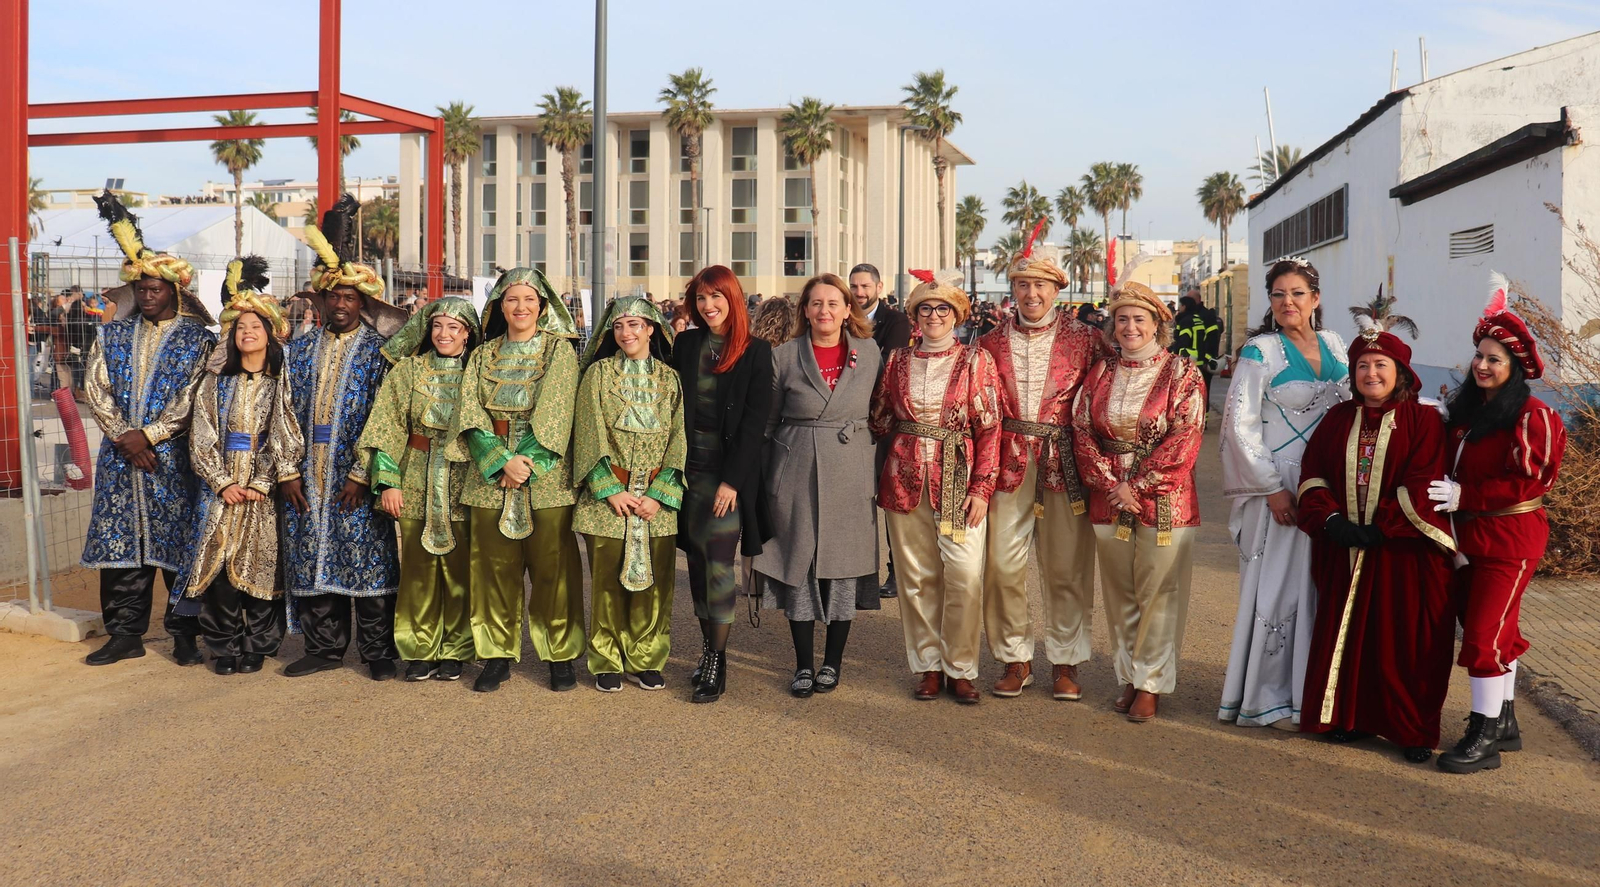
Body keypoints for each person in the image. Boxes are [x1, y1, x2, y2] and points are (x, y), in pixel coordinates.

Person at [1296, 322, 1456, 764]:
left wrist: (1383, 526)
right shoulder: (1337, 419)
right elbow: (1312, 473)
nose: (1371, 373)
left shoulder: (1423, 420)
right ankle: (1353, 718)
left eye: (1381, 364)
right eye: (1362, 365)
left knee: (1403, 642)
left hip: (1404, 552)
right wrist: (1332, 520)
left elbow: (1424, 479)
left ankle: (1412, 729)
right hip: (1345, 551)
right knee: (1355, 640)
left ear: (1400, 371)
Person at [1434, 273, 1566, 773]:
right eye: (1479, 356)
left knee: (1483, 636)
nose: (1483, 365)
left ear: (1515, 367)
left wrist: (1467, 495)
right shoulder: (1470, 410)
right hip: (1467, 536)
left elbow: (1532, 482)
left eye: (1495, 359)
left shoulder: (1532, 415)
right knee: (1495, 629)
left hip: (1510, 538)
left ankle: (1483, 734)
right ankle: (1505, 719)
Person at [80, 192, 218, 667]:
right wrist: (126, 437)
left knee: (181, 547)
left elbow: (196, 395)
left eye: (155, 289)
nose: (146, 296)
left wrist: (152, 435)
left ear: (174, 290)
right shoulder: (112, 334)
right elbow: (96, 387)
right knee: (122, 550)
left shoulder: (198, 339)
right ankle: (124, 634)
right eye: (140, 289)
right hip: (121, 460)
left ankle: (185, 635)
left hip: (173, 460)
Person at [280, 195, 407, 681]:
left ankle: (378, 651)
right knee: (312, 553)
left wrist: (362, 473)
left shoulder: (379, 352)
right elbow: (282, 412)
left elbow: (388, 417)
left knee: (368, 557)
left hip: (359, 477)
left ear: (363, 303)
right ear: (321, 300)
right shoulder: (299, 350)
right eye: (333, 297)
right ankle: (323, 649)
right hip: (305, 474)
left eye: (349, 298)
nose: (340, 304)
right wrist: (287, 471)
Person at [1218, 258, 1348, 729]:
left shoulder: (1336, 344)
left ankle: (1311, 695)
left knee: (1320, 587)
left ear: (1315, 298)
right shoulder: (1260, 351)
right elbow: (1239, 426)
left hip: (1329, 486)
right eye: (1278, 294)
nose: (1287, 302)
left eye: (1297, 293)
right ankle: (1267, 696)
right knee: (1277, 588)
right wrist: (1271, 489)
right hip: (1279, 484)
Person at [1073, 282, 1206, 722]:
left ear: (1157, 325)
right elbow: (1081, 428)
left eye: (1139, 319)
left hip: (1164, 499)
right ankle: (1129, 674)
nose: (1130, 327)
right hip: (1109, 496)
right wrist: (1111, 483)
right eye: (1122, 319)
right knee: (1120, 594)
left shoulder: (1182, 373)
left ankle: (1151, 681)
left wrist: (1139, 485)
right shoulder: (1101, 373)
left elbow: (1186, 436)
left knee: (1159, 592)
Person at [447, 267, 584, 693]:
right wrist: (500, 461)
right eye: (512, 299)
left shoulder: (560, 351)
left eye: (529, 299)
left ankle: (560, 655)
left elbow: (559, 407)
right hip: (490, 474)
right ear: (499, 306)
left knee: (553, 569)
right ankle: (496, 655)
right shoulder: (482, 355)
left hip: (547, 476)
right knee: (492, 570)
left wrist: (526, 462)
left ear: (542, 306)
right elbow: (469, 411)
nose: (520, 307)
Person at [980, 231, 1102, 701]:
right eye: (1023, 284)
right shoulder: (987, 343)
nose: (1031, 294)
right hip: (1006, 461)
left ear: (1057, 288)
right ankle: (1015, 657)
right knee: (1001, 565)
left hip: (1065, 462)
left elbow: (1104, 398)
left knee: (1067, 566)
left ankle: (1065, 660)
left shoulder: (1087, 339)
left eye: (1041, 285)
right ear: (1012, 289)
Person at [870, 269, 1001, 704]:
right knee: (916, 579)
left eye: (942, 308)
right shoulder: (897, 361)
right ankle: (927, 666)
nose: (933, 315)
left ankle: (960, 667)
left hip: (958, 479)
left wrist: (982, 488)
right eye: (924, 308)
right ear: (914, 316)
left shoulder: (976, 361)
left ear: (957, 314)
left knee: (964, 575)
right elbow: (879, 417)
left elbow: (990, 427)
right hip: (903, 479)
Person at [757, 273, 882, 697]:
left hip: (850, 467)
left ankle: (833, 662)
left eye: (833, 303)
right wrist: (764, 477)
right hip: (796, 467)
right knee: (800, 565)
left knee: (843, 567)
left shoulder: (870, 352)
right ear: (805, 311)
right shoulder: (784, 356)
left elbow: (881, 409)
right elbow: (769, 420)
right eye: (816, 303)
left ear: (848, 309)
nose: (824, 310)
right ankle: (804, 664)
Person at [182, 258, 302, 676]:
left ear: (271, 333)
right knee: (217, 569)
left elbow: (286, 432)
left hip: (263, 491)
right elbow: (201, 434)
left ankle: (259, 645)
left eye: (256, 326)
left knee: (263, 566)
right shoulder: (215, 382)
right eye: (240, 328)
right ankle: (224, 645)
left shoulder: (281, 382)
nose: (247, 332)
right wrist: (221, 481)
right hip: (222, 489)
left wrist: (264, 481)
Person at [357, 297, 481, 682]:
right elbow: (386, 425)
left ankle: (456, 649)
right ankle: (420, 649)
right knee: (418, 569)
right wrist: (388, 482)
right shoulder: (409, 370)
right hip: (413, 476)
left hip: (463, 478)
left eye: (454, 327)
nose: (444, 334)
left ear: (467, 333)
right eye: (438, 325)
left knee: (460, 569)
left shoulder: (478, 371)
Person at [671, 265, 775, 704]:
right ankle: (709, 647)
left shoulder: (756, 351)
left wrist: (732, 482)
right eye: (701, 298)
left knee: (718, 565)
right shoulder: (686, 344)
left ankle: (716, 659)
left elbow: (755, 424)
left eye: (716, 297)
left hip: (726, 477)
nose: (708, 305)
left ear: (732, 299)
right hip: (686, 472)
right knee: (696, 564)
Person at [573, 296, 685, 693]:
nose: (626, 333)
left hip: (657, 501)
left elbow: (678, 438)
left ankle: (646, 658)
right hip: (608, 500)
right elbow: (588, 433)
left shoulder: (669, 379)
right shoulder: (599, 374)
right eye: (618, 326)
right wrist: (610, 489)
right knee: (606, 584)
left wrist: (659, 493)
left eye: (635, 324)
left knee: (656, 584)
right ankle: (606, 659)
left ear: (651, 329)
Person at [850, 264, 912, 599]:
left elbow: (887, 367)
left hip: (886, 423)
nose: (859, 292)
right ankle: (857, 574)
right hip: (850, 421)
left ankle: (897, 572)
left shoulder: (896, 321)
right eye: (854, 286)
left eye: (865, 286)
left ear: (878, 286)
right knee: (857, 502)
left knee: (890, 502)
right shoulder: (844, 317)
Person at [1172, 291, 1220, 399]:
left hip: (1188, 362)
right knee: (1201, 393)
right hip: (1200, 360)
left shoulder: (1187, 320)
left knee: (1187, 393)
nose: (1179, 308)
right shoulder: (1198, 318)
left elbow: (1182, 342)